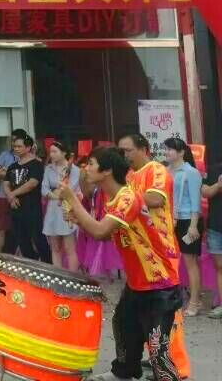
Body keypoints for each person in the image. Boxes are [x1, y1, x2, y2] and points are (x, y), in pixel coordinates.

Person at [59, 148, 182, 381]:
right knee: (124, 326)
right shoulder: (113, 198)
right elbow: (106, 234)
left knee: (157, 347)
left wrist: (72, 198)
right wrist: (79, 218)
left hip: (159, 283)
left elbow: (100, 231)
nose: (86, 168)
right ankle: (124, 372)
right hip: (137, 281)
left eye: (91, 164)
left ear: (106, 171)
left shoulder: (128, 197)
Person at [164, 137, 203, 316]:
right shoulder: (165, 171)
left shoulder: (191, 172)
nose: (167, 152)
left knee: (190, 262)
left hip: (188, 220)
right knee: (170, 261)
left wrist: (193, 226)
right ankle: (175, 298)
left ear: (181, 152)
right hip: (170, 219)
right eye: (166, 149)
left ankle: (195, 302)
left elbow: (196, 202)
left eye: (170, 149)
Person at [2, 130, 51, 263]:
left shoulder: (36, 164)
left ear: (28, 147)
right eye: (14, 146)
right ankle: (31, 262)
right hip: (15, 207)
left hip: (32, 208)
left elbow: (32, 184)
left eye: (19, 146)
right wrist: (10, 197)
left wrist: (13, 194)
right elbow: (6, 183)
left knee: (38, 237)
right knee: (21, 239)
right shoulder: (12, 166)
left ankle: (48, 263)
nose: (16, 149)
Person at [42, 141, 80, 272]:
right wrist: (55, 195)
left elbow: (70, 189)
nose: (51, 154)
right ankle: (57, 275)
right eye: (50, 152)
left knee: (70, 248)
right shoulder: (48, 169)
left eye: (54, 152)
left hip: (67, 209)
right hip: (52, 209)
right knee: (55, 248)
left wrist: (57, 192)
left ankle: (73, 277)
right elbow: (44, 189)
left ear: (64, 153)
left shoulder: (74, 170)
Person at [202, 156, 222, 319]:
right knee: (220, 267)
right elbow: (205, 192)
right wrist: (218, 185)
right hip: (216, 225)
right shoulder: (214, 168)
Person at [0, 141, 18, 255]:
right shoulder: (5, 155)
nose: (15, 144)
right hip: (3, 197)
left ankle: (22, 258)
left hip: (22, 197)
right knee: (0, 228)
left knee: (23, 230)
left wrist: (6, 171)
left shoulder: (28, 157)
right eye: (13, 141)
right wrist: (13, 172)